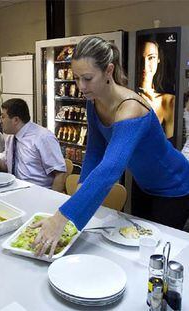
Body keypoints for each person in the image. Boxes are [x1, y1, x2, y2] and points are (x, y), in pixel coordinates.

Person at [31, 36, 189, 258]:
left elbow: (110, 170)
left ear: (108, 71)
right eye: (76, 78)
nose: (81, 87)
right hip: (145, 185)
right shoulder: (93, 101)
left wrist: (61, 218)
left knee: (156, 255)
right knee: (137, 246)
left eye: (87, 78)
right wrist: (80, 189)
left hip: (175, 185)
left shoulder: (130, 108)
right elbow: (95, 151)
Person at [0, 98, 66, 192]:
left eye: (3, 117)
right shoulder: (11, 138)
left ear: (15, 120)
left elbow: (60, 173)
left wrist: (51, 202)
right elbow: (6, 165)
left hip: (39, 194)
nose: (0, 121)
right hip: (14, 190)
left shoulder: (43, 137)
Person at [137, 40, 175, 139]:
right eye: (141, 58)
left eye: (151, 58)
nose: (145, 65)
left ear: (158, 59)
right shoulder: (126, 98)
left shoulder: (169, 101)